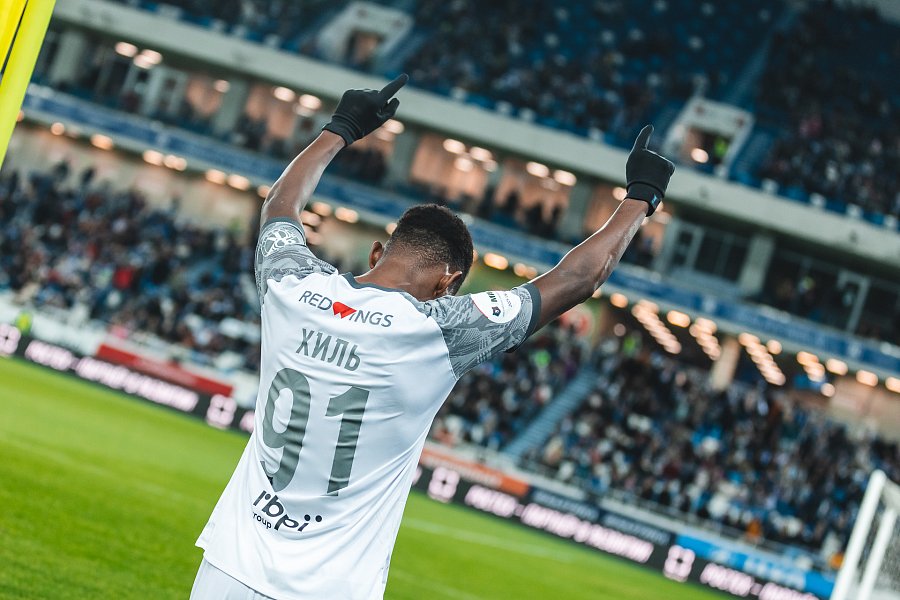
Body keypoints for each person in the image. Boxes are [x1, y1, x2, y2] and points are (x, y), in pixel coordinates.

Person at [191, 74, 674, 599]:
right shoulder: (439, 330)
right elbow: (579, 278)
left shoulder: (292, 288)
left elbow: (280, 207)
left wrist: (342, 127)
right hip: (329, 587)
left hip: (229, 567)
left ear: (377, 252)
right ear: (448, 284)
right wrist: (641, 195)